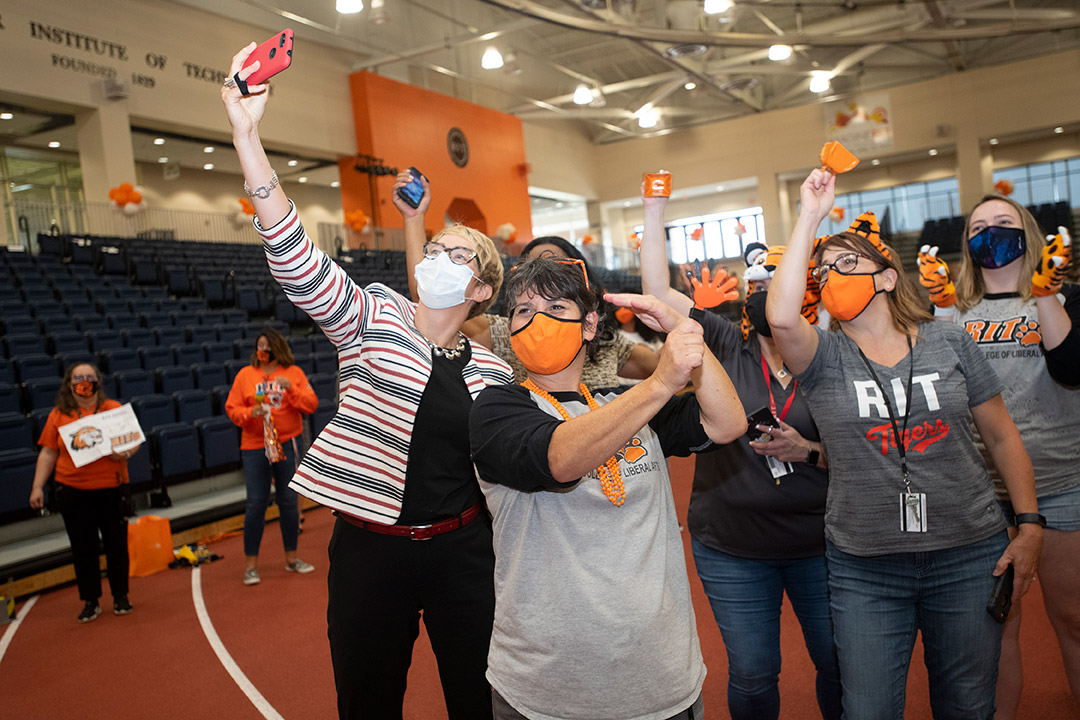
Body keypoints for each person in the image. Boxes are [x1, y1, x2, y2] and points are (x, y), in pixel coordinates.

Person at [222, 44, 512, 719]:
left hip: (464, 552)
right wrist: (248, 137)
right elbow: (296, 259)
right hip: (369, 551)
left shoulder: (495, 370)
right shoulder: (375, 313)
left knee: (482, 696)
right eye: (432, 249)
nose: (437, 257)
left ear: (483, 287)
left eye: (456, 254)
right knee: (366, 699)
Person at [766, 167, 1043, 719]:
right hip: (865, 564)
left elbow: (1001, 435)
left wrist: (1031, 525)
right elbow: (778, 313)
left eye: (849, 263)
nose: (832, 273)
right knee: (868, 709)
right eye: (825, 269)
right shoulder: (822, 357)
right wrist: (809, 216)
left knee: (967, 704)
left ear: (888, 277)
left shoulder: (948, 340)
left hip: (968, 553)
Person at [469, 257, 747, 720]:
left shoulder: (625, 401)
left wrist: (685, 327)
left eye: (557, 308)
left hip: (661, 677)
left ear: (589, 323)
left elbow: (727, 422)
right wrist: (660, 382)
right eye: (522, 310)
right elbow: (560, 459)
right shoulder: (496, 408)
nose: (537, 321)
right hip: (548, 691)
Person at [638, 187, 841, 720]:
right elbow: (658, 292)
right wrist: (653, 211)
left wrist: (809, 450)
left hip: (822, 542)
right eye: (762, 284)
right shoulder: (726, 342)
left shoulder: (834, 357)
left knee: (837, 664)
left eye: (782, 283)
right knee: (752, 674)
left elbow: (869, 455)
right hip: (731, 546)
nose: (769, 294)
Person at [917, 196, 1079, 718]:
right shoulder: (952, 308)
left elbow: (1072, 368)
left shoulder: (1065, 297)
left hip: (1060, 483)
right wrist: (939, 310)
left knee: (1073, 620)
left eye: (1003, 225)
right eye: (979, 227)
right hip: (981, 495)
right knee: (995, 630)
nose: (990, 233)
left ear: (1027, 233)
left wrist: (1047, 294)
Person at [391, 169, 659, 389]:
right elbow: (432, 297)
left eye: (555, 266)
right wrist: (414, 219)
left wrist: (672, 312)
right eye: (530, 267)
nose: (540, 278)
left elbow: (663, 366)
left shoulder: (606, 343)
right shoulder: (505, 332)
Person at [28, 363, 137, 623]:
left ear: (98, 381)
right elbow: (48, 452)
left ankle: (121, 596)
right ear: (69, 384)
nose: (84, 382)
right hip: (73, 492)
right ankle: (91, 600)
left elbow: (133, 442)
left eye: (90, 377)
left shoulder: (113, 409)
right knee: (82, 548)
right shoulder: (58, 414)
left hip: (111, 488)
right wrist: (36, 486)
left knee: (116, 546)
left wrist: (125, 453)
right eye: (78, 378)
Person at [225, 327, 318, 586]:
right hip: (255, 446)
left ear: (278, 348)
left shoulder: (293, 373)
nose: (263, 350)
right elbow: (232, 408)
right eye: (259, 345)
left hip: (287, 445)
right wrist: (248, 414)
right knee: (256, 503)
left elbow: (311, 405)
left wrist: (292, 391)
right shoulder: (245, 375)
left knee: (288, 501)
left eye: (267, 346)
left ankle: (292, 558)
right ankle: (251, 566)